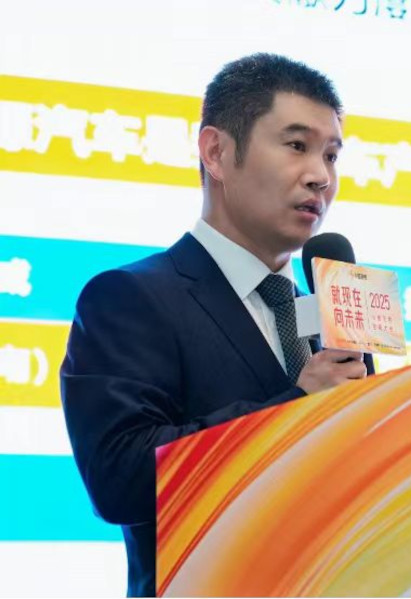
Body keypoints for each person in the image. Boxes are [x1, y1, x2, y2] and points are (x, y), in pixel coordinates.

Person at [60, 53, 372, 597]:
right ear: (216, 153)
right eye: (296, 146)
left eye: (331, 155)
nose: (320, 177)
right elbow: (119, 480)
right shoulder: (130, 298)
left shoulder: (331, 317)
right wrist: (296, 408)